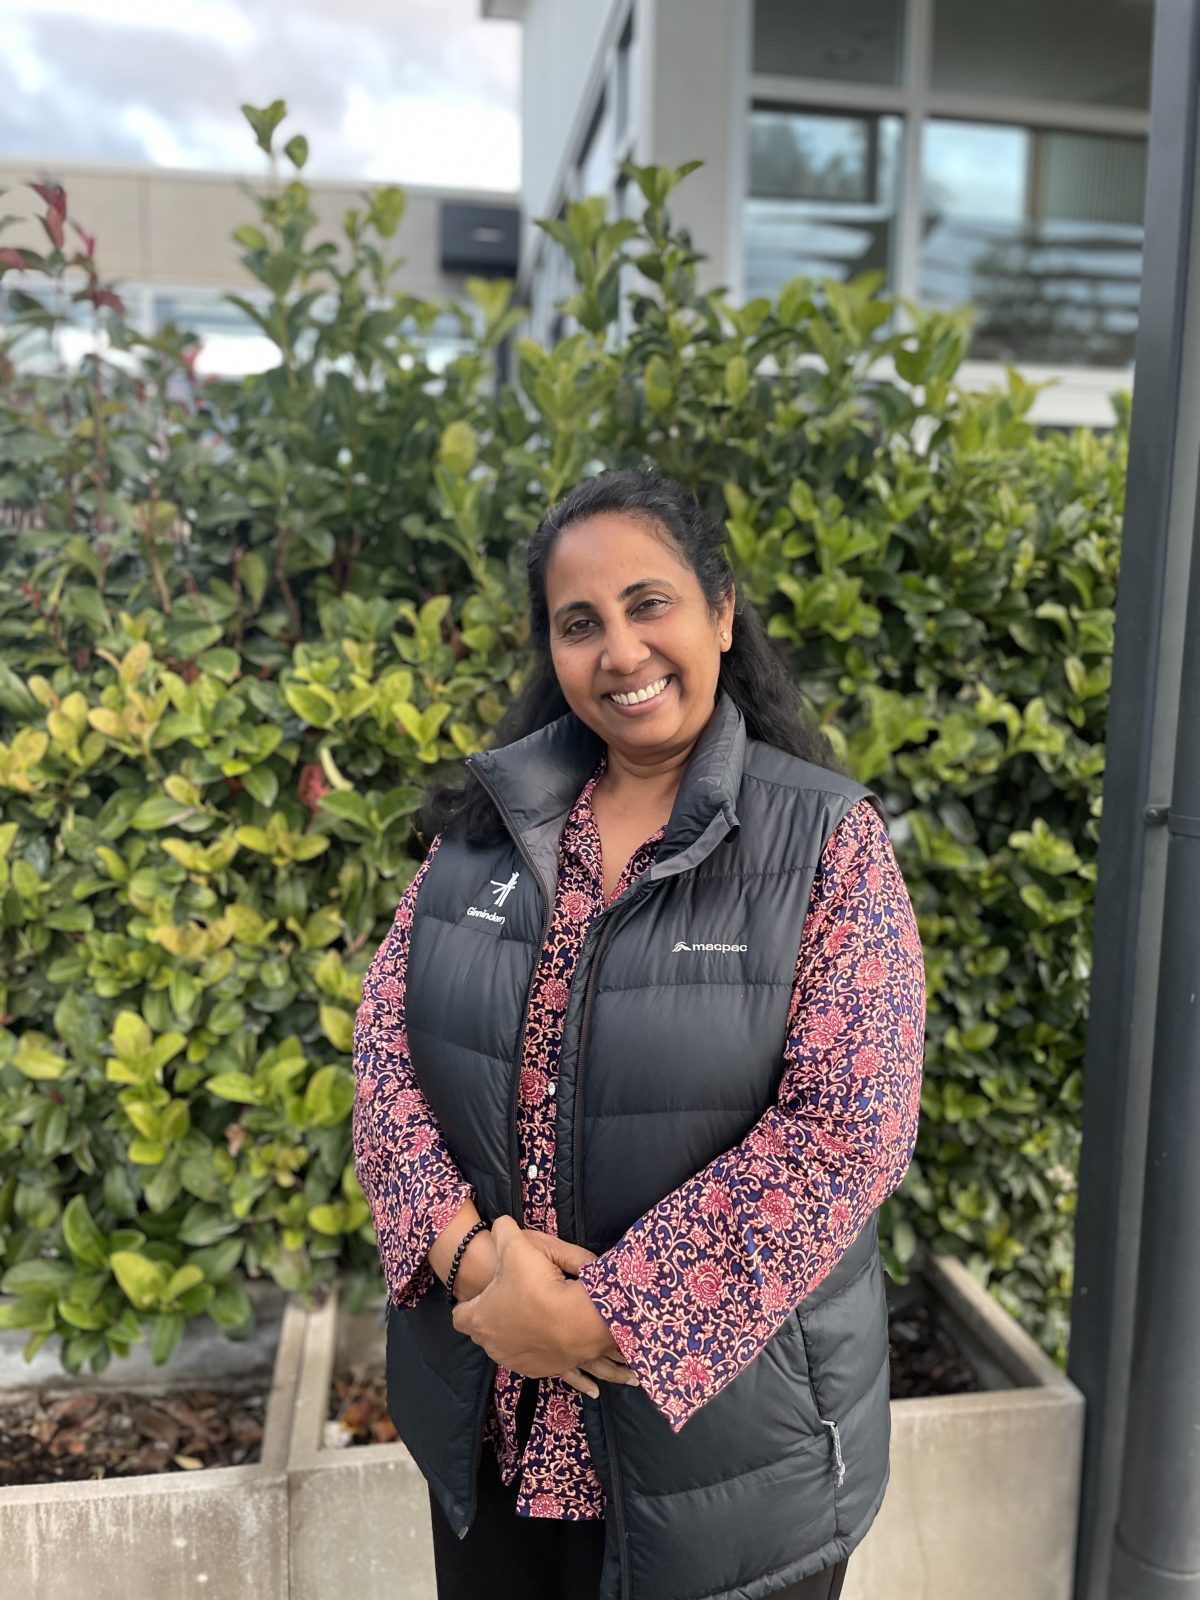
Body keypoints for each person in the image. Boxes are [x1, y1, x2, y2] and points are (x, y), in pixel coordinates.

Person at [351, 468, 926, 1600]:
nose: (621, 651)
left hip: (731, 1463)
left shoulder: (826, 843)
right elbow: (385, 1059)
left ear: (722, 612)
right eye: (580, 624)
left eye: (648, 603)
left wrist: (596, 1318)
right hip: (492, 1425)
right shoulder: (484, 835)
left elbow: (847, 1132)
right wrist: (477, 1268)